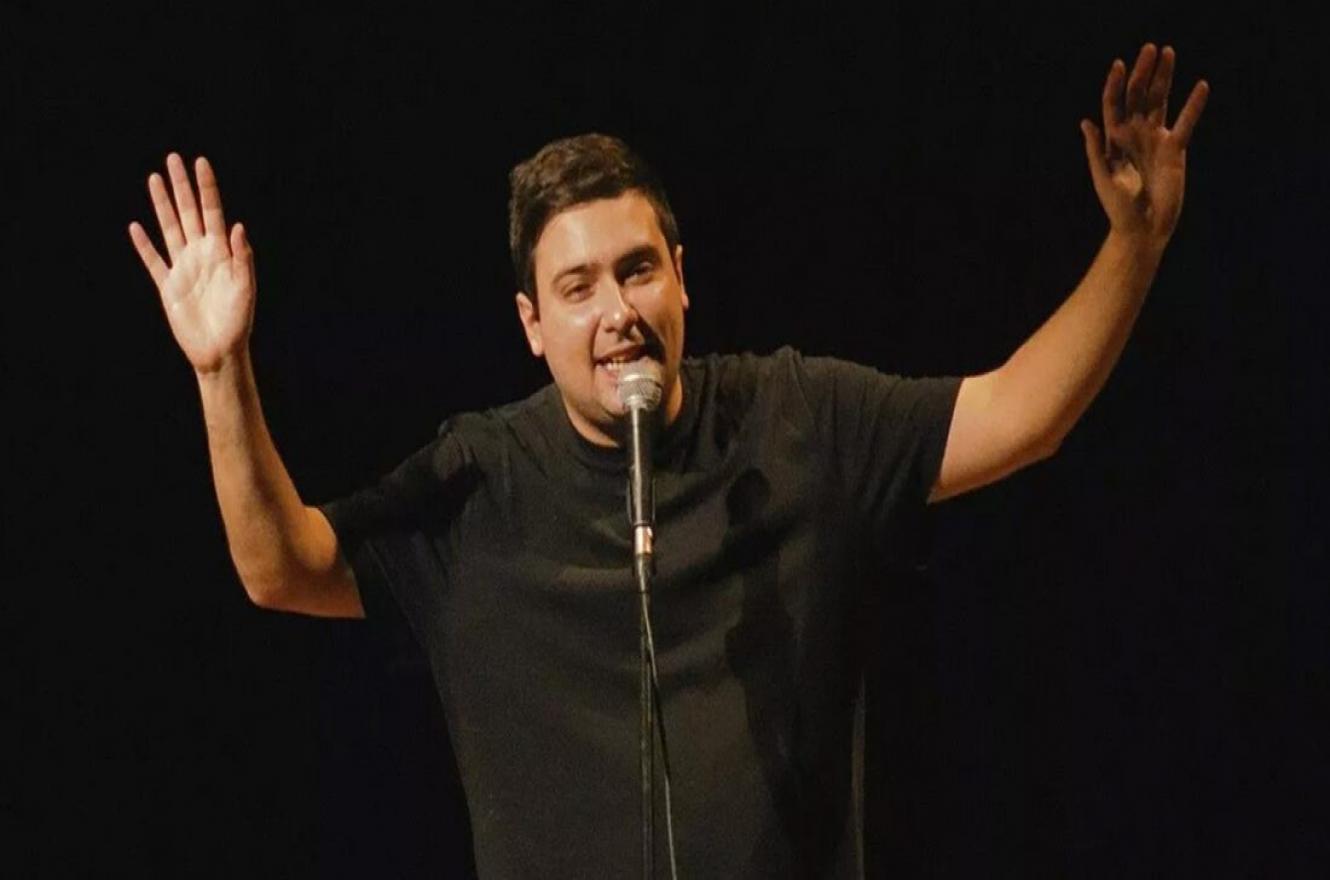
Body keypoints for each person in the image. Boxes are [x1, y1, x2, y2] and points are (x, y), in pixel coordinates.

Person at [129, 43, 1208, 878]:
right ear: (531, 325)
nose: (618, 312)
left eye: (638, 270)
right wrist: (222, 371)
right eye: (578, 287)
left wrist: (1135, 244)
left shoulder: (797, 418)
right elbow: (280, 565)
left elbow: (1021, 414)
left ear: (682, 277)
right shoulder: (480, 486)